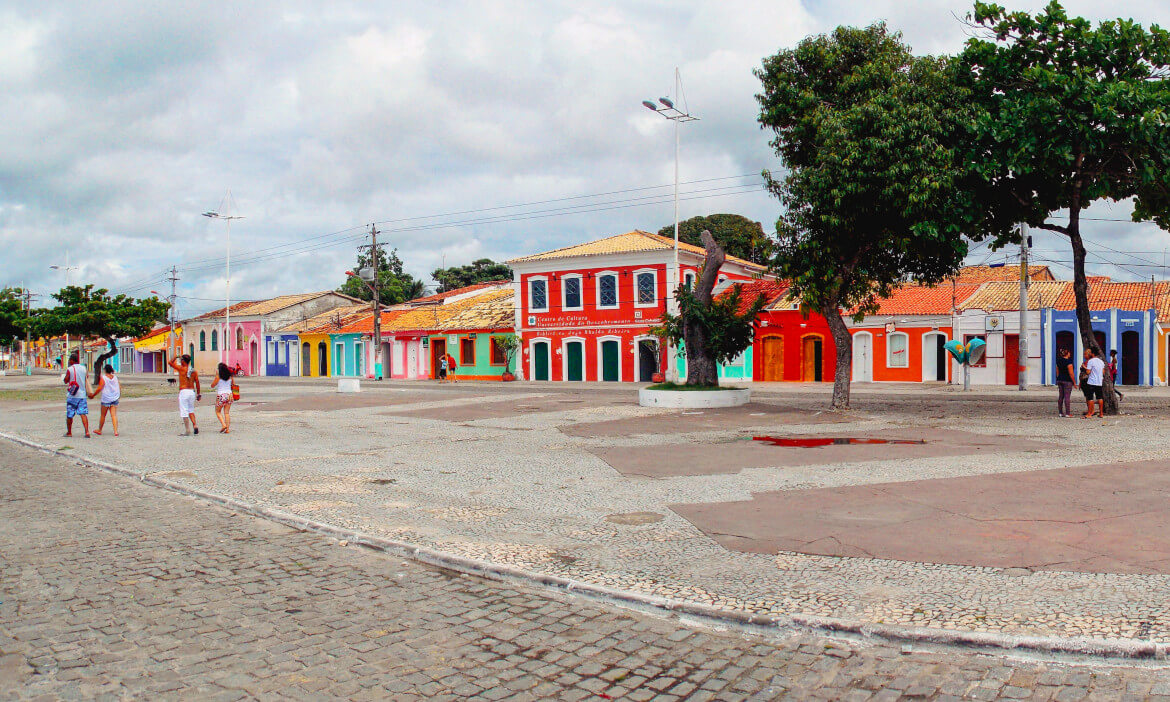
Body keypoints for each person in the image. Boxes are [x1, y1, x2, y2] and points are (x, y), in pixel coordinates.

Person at [167, 354, 202, 436]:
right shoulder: (193, 371)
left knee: (184, 410)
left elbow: (170, 363)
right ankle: (195, 425)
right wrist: (199, 393)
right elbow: (197, 382)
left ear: (183, 361)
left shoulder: (181, 369)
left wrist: (175, 357)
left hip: (184, 391)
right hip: (191, 392)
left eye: (181, 360)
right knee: (191, 410)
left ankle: (187, 430)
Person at [88, 363, 121, 436]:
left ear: (105, 370)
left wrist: (93, 395)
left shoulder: (104, 378)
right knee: (114, 415)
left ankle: (100, 430)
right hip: (114, 398)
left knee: (103, 415)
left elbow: (100, 388)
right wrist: (118, 395)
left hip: (106, 398)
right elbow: (119, 386)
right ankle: (115, 431)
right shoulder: (115, 377)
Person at [63, 351, 90, 438]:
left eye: (69, 360)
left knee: (70, 414)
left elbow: (66, 380)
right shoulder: (84, 368)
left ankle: (69, 432)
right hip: (82, 395)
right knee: (83, 413)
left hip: (72, 395)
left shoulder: (70, 369)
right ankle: (87, 432)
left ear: (72, 360)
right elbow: (87, 377)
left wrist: (65, 378)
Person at [1081, 348, 1106, 419]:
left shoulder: (1091, 361)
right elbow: (1103, 372)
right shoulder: (1101, 362)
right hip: (1099, 381)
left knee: (1090, 398)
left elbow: (1088, 372)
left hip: (1091, 381)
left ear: (1092, 353)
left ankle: (1089, 413)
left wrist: (1084, 368)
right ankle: (1101, 413)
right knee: (1100, 397)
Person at [213, 362, 235, 434]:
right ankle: (227, 429)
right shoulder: (230, 376)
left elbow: (212, 385)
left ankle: (223, 425)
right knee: (227, 413)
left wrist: (216, 375)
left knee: (218, 411)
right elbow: (233, 384)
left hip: (221, 395)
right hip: (229, 395)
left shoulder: (218, 376)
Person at [1055, 348, 1076, 418]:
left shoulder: (1058, 361)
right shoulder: (1069, 362)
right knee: (1067, 397)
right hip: (1067, 380)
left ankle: (1060, 412)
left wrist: (1058, 377)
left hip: (1060, 379)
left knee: (1061, 396)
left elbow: (1057, 370)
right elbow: (1071, 373)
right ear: (1067, 354)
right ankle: (1067, 413)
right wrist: (1074, 382)